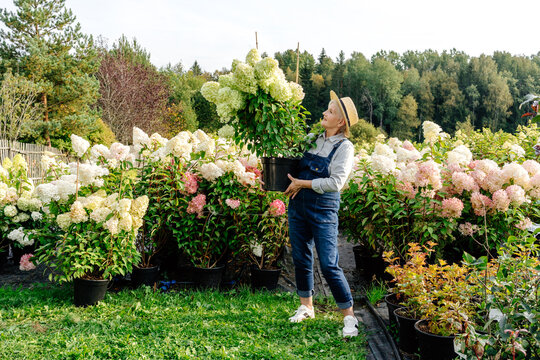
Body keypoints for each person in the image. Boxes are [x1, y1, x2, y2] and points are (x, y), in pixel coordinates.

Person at [284, 90, 359, 337]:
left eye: (331, 111)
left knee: (329, 264)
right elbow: (292, 166)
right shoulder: (311, 138)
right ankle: (306, 306)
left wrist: (303, 184)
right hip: (298, 205)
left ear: (341, 122)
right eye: (327, 109)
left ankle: (349, 318)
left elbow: (336, 182)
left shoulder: (344, 147)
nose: (324, 113)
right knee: (301, 258)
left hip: (324, 208)